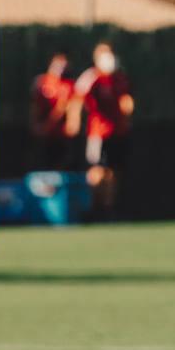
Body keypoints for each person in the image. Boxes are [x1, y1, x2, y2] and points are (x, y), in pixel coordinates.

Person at [67, 41, 133, 220]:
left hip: (117, 132)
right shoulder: (91, 77)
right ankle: (92, 208)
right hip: (98, 134)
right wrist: (73, 120)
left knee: (113, 172)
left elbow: (126, 99)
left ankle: (109, 209)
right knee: (97, 171)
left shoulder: (119, 78)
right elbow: (77, 99)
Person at [29, 51, 76, 171]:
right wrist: (39, 127)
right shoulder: (41, 82)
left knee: (60, 166)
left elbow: (70, 111)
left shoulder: (68, 85)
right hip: (43, 135)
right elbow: (35, 108)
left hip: (61, 136)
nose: (61, 68)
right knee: (43, 167)